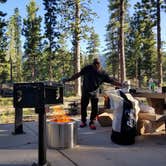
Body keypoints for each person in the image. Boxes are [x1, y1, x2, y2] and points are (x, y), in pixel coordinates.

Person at [64, 58, 122, 130]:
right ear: (92, 64)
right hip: (85, 90)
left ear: (99, 65)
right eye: (94, 64)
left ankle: (92, 121)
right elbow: (78, 74)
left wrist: (120, 84)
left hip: (95, 92)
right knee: (83, 106)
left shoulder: (103, 73)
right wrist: (69, 79)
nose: (95, 65)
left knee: (94, 108)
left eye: (97, 64)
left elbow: (111, 81)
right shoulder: (87, 68)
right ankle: (83, 121)